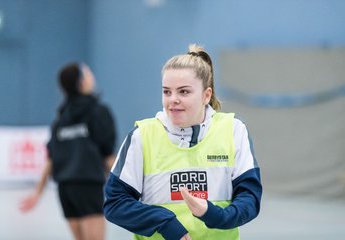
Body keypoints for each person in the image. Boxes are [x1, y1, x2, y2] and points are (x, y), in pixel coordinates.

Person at [104, 44, 262, 240]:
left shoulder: (233, 130)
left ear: (206, 95)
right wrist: (164, 222)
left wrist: (213, 214)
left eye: (184, 92)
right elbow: (115, 203)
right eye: (167, 92)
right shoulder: (142, 136)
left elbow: (250, 199)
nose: (173, 99)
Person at [19, 62, 116, 240]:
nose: (92, 76)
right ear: (81, 82)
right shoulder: (98, 112)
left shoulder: (60, 119)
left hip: (65, 189)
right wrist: (129, 186)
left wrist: (38, 192)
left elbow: (51, 158)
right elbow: (107, 154)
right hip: (88, 186)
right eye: (87, 73)